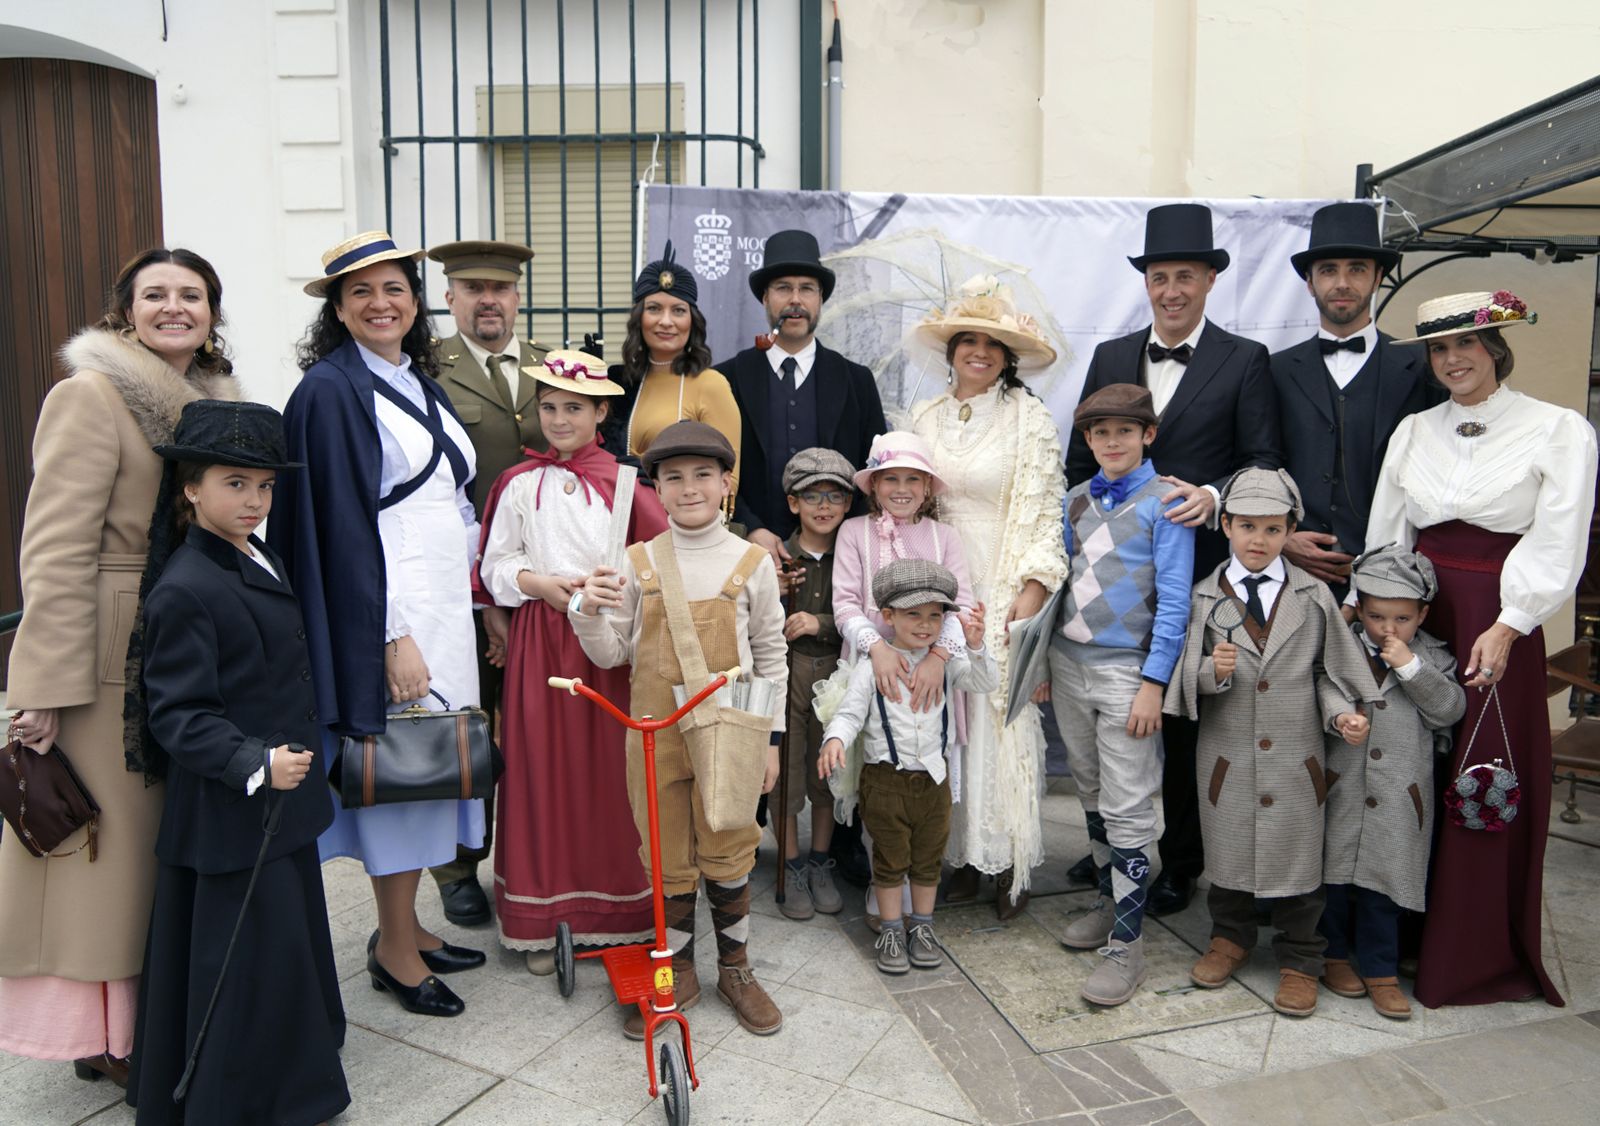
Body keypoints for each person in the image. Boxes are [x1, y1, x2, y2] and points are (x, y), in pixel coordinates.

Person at [0, 248, 241, 1085]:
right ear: (125, 311)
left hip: (190, 636)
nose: (175, 308)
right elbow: (54, 548)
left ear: (212, 313)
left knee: (161, 847)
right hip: (110, 649)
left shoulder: (217, 403)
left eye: (192, 295)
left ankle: (154, 1020)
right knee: (110, 854)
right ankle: (108, 1037)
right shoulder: (89, 395)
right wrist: (41, 688)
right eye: (156, 295)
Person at [269, 231, 487, 1019]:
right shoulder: (329, 391)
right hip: (389, 612)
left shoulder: (415, 381)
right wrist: (389, 636)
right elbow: (342, 526)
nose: (380, 303)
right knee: (400, 774)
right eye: (360, 293)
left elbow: (453, 503)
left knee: (433, 766)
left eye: (394, 288)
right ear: (336, 309)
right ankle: (393, 949)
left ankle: (412, 925)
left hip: (442, 606)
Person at [1364, 290, 1597, 1008]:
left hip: (1500, 620)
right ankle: (1394, 938)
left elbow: (1560, 538)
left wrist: (1510, 620)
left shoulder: (1559, 429)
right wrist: (1378, 622)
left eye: (1467, 344)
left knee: (1480, 771)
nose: (1453, 359)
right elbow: (1388, 536)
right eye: (1439, 348)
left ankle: (1470, 953)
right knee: (1408, 761)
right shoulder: (1412, 431)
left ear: (1496, 348)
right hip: (1419, 613)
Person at [126, 400, 348, 1125]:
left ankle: (292, 1073)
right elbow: (178, 714)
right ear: (190, 487)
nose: (254, 500)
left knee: (281, 949)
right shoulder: (186, 587)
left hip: (277, 804)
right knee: (240, 959)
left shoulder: (255, 551)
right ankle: (242, 1098)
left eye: (264, 486)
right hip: (237, 803)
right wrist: (253, 761)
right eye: (234, 484)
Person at [1065, 203, 1282, 917]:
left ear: (1210, 280)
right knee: (1105, 727)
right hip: (1112, 578)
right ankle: (1110, 851)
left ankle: (1179, 863)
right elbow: (1080, 459)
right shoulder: (1110, 355)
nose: (1172, 290)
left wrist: (1214, 497)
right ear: (1147, 283)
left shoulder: (1245, 359)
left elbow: (1262, 461)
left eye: (1185, 276)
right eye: (1161, 277)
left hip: (1202, 570)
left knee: (1184, 720)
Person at [570, 420, 788, 1038]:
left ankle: (737, 969)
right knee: (666, 853)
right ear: (656, 490)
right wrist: (587, 610)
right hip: (653, 733)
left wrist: (769, 739)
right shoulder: (637, 563)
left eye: (702, 475)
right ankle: (680, 965)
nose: (688, 488)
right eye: (673, 477)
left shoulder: (753, 562)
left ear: (726, 484)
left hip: (732, 732)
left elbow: (771, 654)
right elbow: (613, 654)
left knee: (728, 844)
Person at [474, 350, 667, 972]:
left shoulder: (628, 482)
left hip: (608, 644)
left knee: (610, 769)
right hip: (543, 641)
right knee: (544, 770)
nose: (558, 419)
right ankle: (544, 912)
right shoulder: (517, 484)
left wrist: (625, 588)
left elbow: (661, 557)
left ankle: (621, 911)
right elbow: (494, 564)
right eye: (549, 407)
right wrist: (539, 584)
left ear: (601, 411)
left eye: (573, 408)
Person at [1165, 467, 1376, 1018]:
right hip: (1228, 756)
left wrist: (1341, 718)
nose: (1259, 540)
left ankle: (1301, 960)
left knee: (1299, 860)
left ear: (1290, 532)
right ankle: (1228, 939)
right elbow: (1183, 679)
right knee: (1229, 852)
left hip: (1295, 754)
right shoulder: (1204, 597)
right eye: (1247, 527)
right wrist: (1213, 669)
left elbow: (1329, 674)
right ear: (1227, 526)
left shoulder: (1313, 598)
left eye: (1273, 529)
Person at [909, 276, 1068, 919]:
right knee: (946, 724)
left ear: (1010, 355)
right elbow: (906, 502)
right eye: (967, 339)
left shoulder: (1030, 418)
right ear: (950, 350)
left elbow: (1044, 514)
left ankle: (1007, 863)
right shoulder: (922, 418)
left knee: (1001, 725)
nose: (979, 351)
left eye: (993, 342)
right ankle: (956, 859)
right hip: (938, 582)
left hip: (1003, 583)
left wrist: (1031, 593)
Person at [1049, 385, 1195, 1007]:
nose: (1113, 442)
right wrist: (1040, 663)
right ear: (1087, 440)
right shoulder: (1075, 500)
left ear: (1148, 437)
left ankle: (1129, 945)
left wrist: (1153, 684)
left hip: (1126, 673)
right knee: (1090, 787)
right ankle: (1110, 903)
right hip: (1068, 661)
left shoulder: (1169, 505)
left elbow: (1177, 602)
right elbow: (1056, 584)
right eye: (1101, 433)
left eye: (1126, 432)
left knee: (1130, 800)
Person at [423, 238, 551, 927]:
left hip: (537, 582)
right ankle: (456, 863)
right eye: (471, 289)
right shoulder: (425, 370)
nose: (488, 301)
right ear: (450, 299)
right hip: (456, 582)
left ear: (517, 297)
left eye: (499, 289)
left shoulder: (550, 367)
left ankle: (532, 856)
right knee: (464, 723)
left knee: (534, 723)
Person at [818, 559, 997, 975]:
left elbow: (984, 682)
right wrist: (835, 739)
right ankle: (892, 928)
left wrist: (974, 646)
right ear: (888, 617)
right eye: (913, 614)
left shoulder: (948, 664)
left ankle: (922, 926)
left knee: (927, 859)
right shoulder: (871, 667)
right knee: (889, 858)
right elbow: (849, 714)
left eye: (935, 616)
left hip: (934, 781)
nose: (925, 625)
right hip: (885, 781)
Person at [1320, 545, 1465, 1022]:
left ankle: (1381, 971)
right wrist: (1341, 717)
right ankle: (1333, 956)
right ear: (1359, 608)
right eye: (1377, 615)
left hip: (1402, 792)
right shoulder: (1339, 645)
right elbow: (1324, 686)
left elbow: (1449, 708)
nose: (1388, 629)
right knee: (1334, 879)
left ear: (1422, 613)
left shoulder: (1434, 658)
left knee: (1385, 887)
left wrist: (1409, 667)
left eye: (1402, 618)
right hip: (1342, 786)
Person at [1270, 203, 1438, 599]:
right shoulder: (1274, 370)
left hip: (1397, 573)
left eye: (1356, 269)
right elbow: (1260, 462)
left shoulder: (1421, 364)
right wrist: (1283, 537)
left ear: (1378, 276)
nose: (1342, 283)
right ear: (1309, 283)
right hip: (1295, 573)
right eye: (1328, 270)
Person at [719, 228, 887, 556]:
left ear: (820, 299)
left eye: (807, 289)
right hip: (746, 550)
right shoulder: (727, 379)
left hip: (839, 556)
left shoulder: (857, 381)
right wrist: (751, 528)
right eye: (783, 288)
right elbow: (715, 468)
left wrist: (843, 536)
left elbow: (874, 473)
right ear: (765, 297)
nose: (795, 300)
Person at [771, 448, 856, 920]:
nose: (824, 505)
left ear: (848, 504)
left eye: (835, 496)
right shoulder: (778, 558)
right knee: (785, 777)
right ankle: (790, 863)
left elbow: (868, 616)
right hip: (787, 677)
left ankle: (821, 861)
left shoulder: (854, 554)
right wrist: (778, 593)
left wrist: (819, 622)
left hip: (837, 673)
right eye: (812, 495)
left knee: (828, 773)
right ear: (793, 503)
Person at [607, 244, 743, 518]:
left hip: (679, 527)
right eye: (654, 309)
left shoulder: (710, 384)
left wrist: (660, 477)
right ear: (639, 319)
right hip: (619, 520)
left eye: (678, 311)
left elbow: (730, 481)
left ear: (692, 321)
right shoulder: (623, 382)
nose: (666, 321)